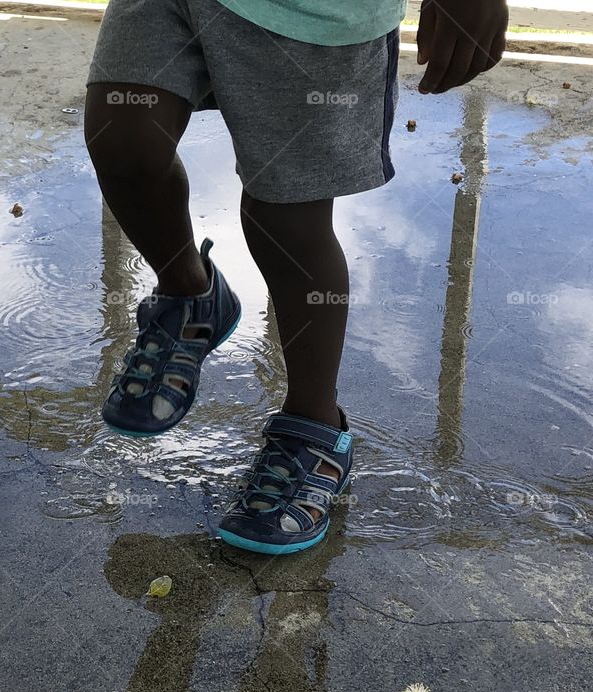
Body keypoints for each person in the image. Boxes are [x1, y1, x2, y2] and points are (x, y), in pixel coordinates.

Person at [84, 0, 508, 554]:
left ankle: (316, 425)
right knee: (122, 139)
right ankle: (191, 294)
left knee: (285, 216)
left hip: (313, 16)